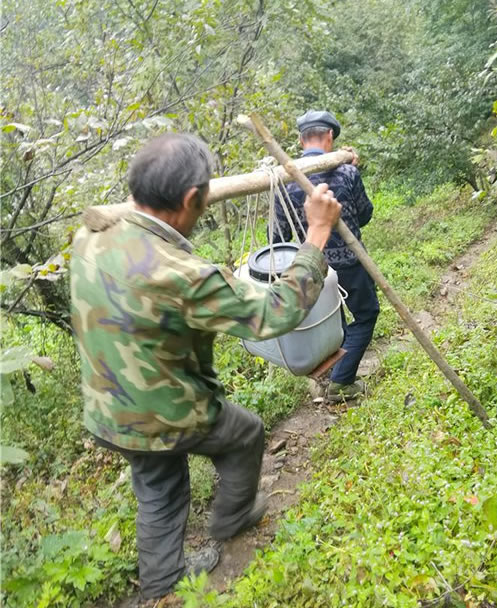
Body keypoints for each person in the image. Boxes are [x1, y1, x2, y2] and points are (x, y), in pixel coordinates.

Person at [70, 133, 341, 601]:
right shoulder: (182, 274)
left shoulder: (91, 235)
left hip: (108, 412)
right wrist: (316, 234)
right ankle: (232, 518)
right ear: (193, 199)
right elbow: (275, 313)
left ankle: (161, 581)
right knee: (246, 434)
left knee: (159, 487)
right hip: (165, 416)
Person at [273, 110, 380, 401]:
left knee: (334, 318)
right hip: (351, 262)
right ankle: (341, 382)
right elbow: (366, 213)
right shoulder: (346, 171)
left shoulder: (284, 180)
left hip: (314, 266)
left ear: (300, 139)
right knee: (367, 313)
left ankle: (333, 373)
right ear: (330, 136)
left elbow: (278, 237)